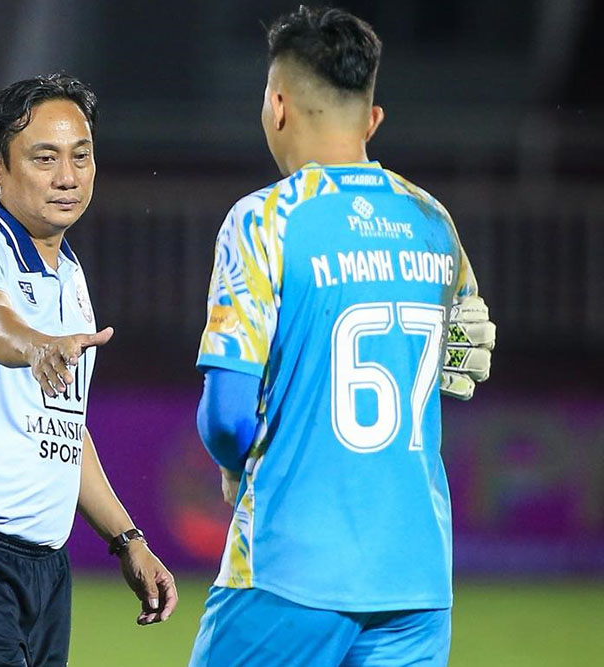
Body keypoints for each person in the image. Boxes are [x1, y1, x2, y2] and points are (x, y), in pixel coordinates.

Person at [189, 7, 495, 666]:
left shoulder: (264, 222)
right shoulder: (432, 219)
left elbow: (226, 415)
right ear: (373, 119)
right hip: (417, 575)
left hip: (290, 567)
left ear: (276, 106)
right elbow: (466, 357)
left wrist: (231, 461)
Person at [0, 73, 178, 666]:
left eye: (81, 156)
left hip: (45, 566)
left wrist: (127, 539)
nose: (68, 177)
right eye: (45, 159)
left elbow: (64, 431)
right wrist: (33, 344)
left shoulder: (69, 275)